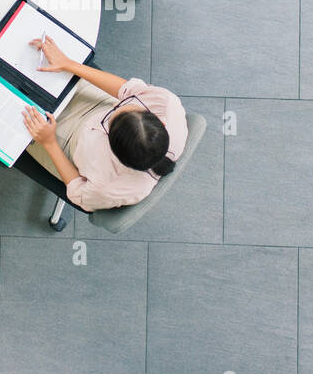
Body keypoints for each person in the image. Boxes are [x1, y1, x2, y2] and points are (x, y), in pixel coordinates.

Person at [14, 36, 187, 230]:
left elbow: (78, 192)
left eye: (111, 122)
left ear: (111, 146)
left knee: (11, 110)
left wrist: (49, 142)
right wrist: (68, 64)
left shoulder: (111, 188)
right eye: (125, 108)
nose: (119, 108)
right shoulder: (166, 105)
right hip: (98, 102)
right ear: (160, 122)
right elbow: (127, 91)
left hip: (67, 143)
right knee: (28, 59)